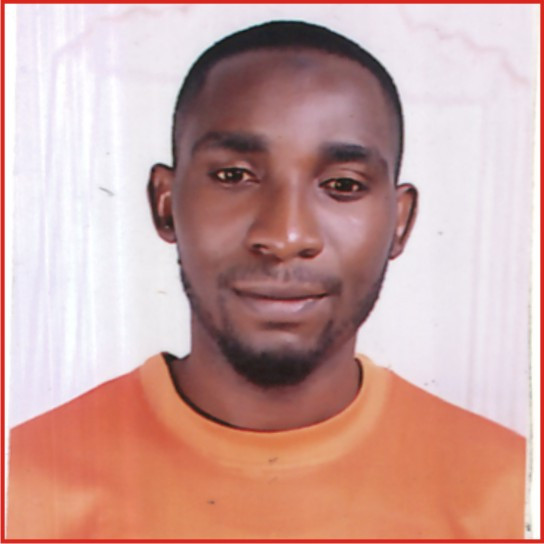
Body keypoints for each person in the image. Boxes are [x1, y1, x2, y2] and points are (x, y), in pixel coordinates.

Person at [7, 21, 526, 539]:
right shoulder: (25, 487)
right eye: (234, 176)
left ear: (400, 222)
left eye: (342, 185)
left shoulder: (507, 493)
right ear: (165, 204)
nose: (285, 236)